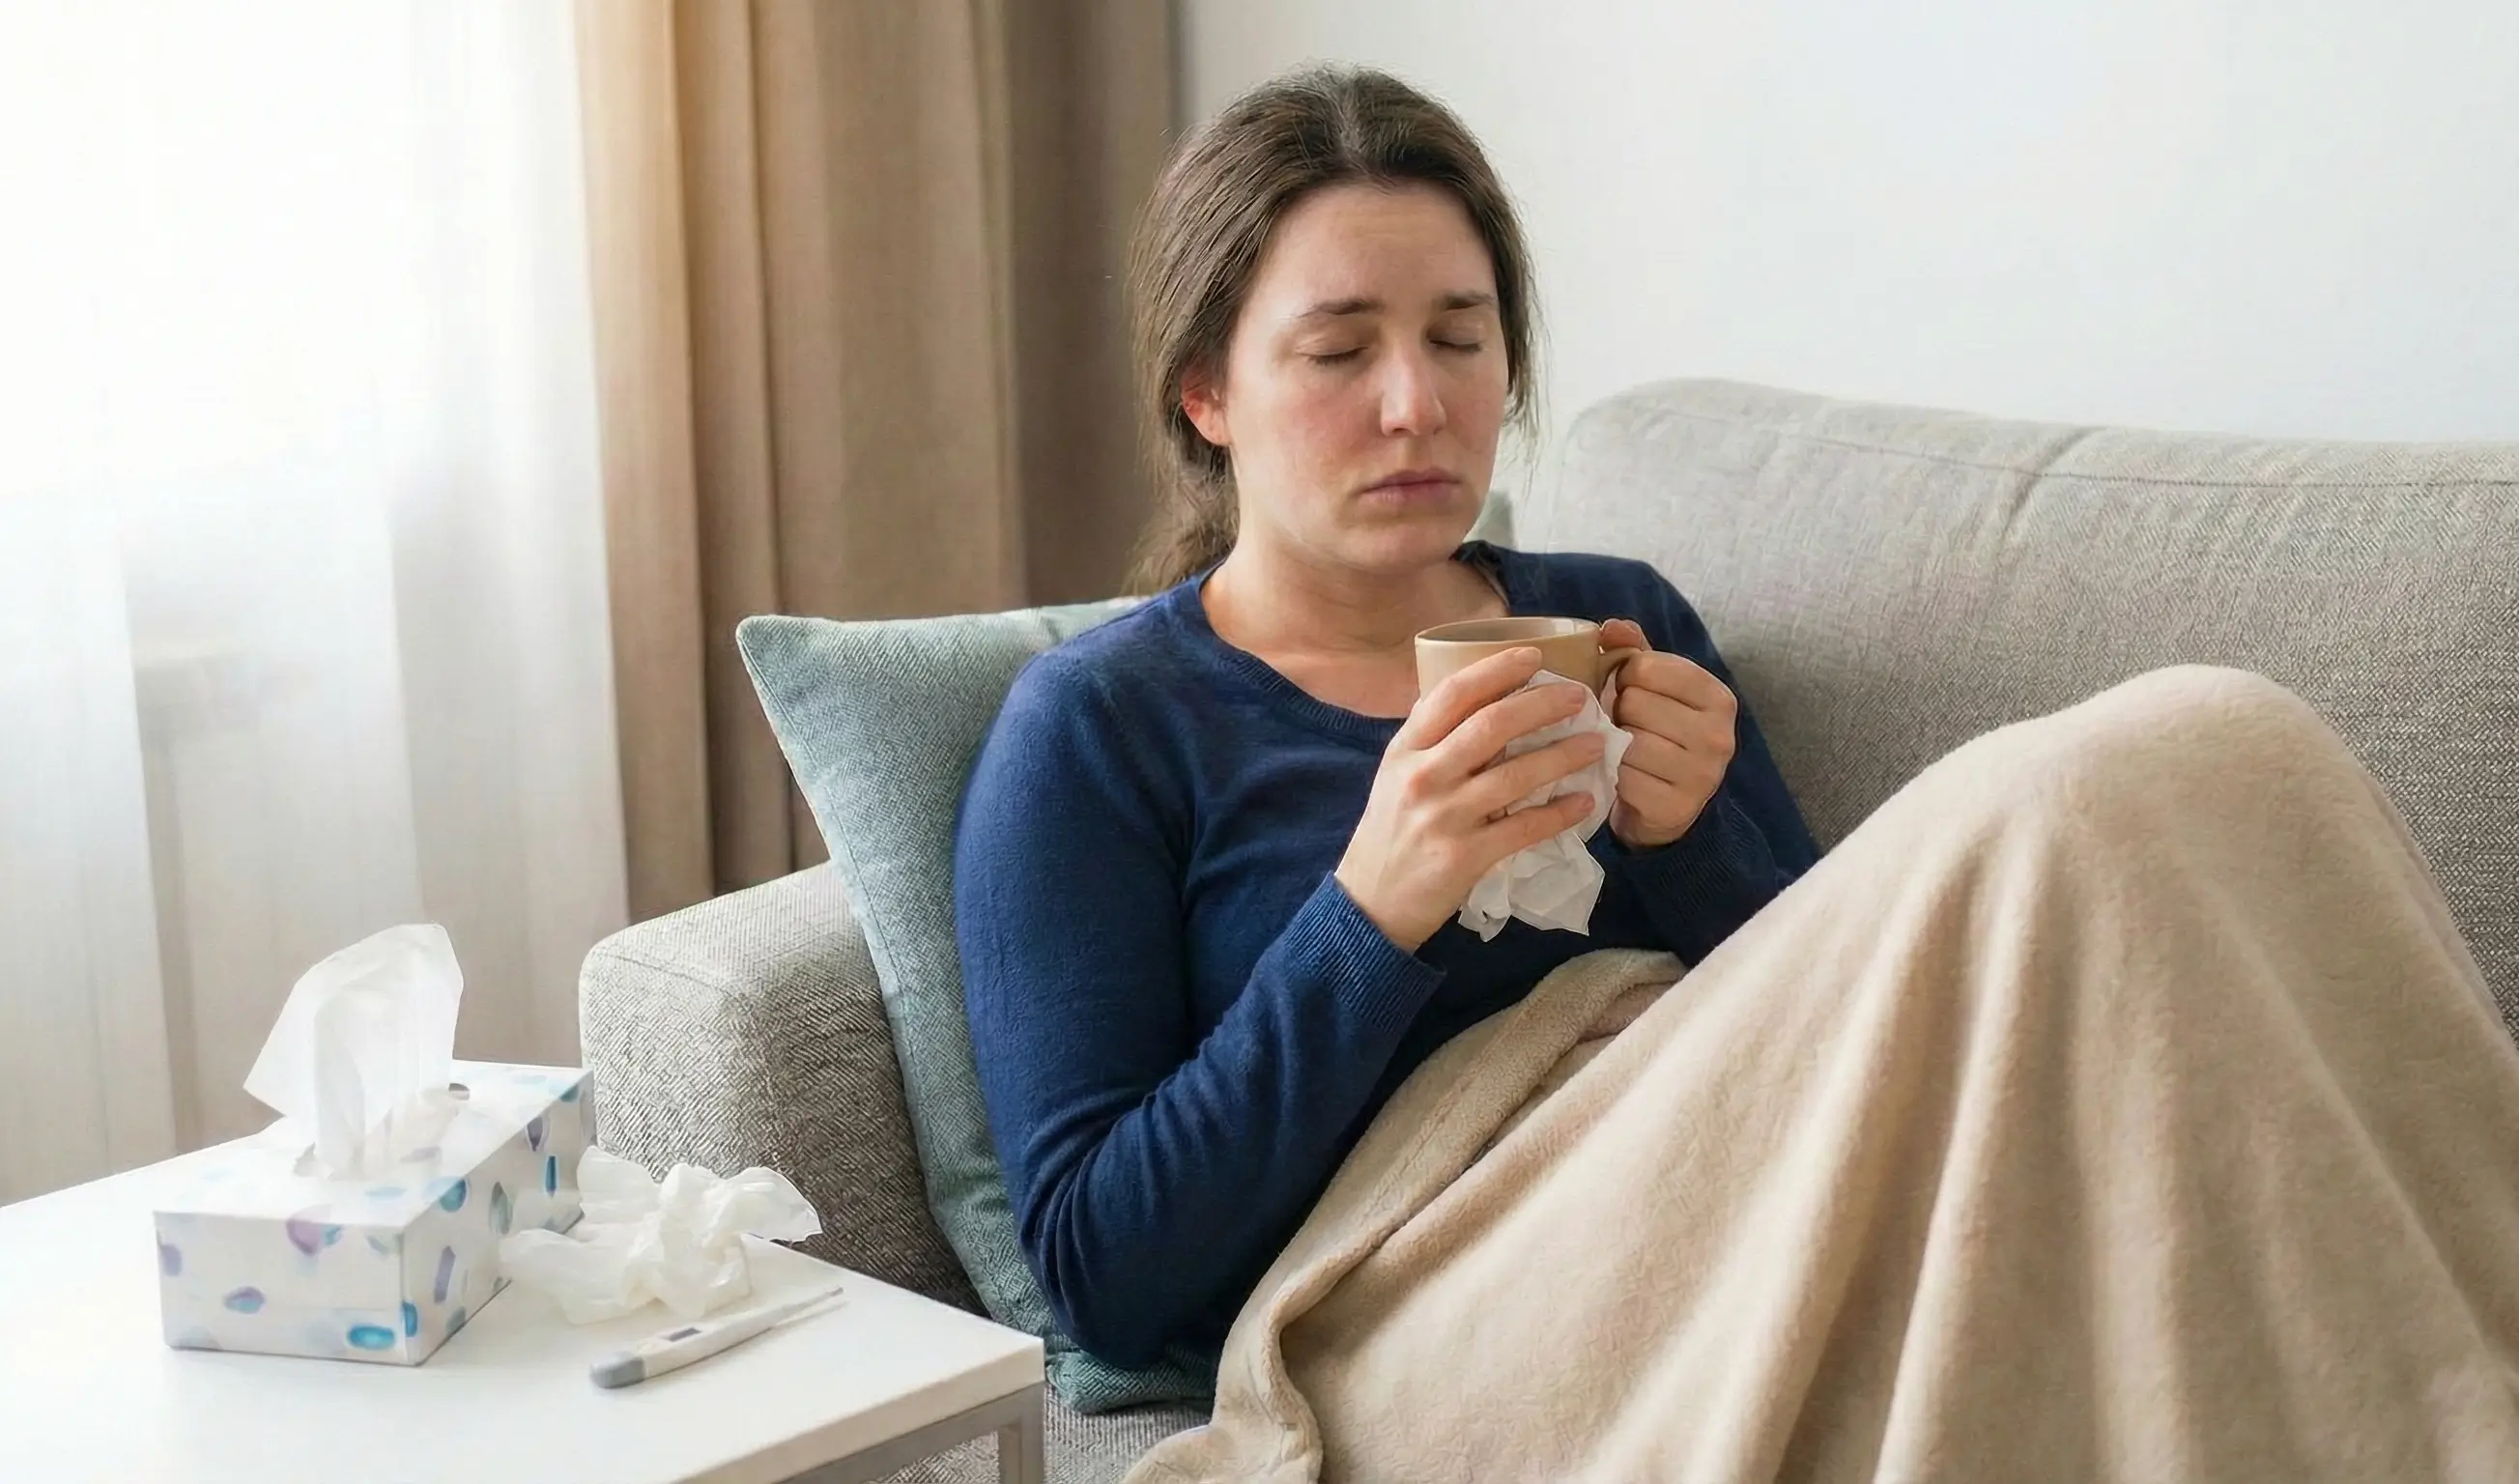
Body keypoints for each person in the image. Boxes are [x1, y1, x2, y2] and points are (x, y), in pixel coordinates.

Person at [955, 65, 2519, 1477]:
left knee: (2226, 744)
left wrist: (1694, 838)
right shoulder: (1095, 729)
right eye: (1337, 349)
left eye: (1458, 335)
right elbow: (1106, 1268)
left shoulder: (1618, 616)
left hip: (1739, 1223)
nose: (1415, 404)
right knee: (2070, 799)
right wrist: (1371, 912)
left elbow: (1855, 1031)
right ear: (1206, 394)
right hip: (1418, 1307)